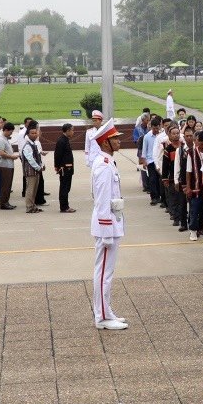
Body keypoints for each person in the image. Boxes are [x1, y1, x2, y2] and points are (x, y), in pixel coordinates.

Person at [88, 118, 129, 330]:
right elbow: (102, 199)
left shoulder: (107, 162)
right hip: (107, 226)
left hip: (111, 223)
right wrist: (106, 231)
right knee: (104, 272)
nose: (119, 142)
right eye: (115, 139)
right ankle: (102, 317)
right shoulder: (104, 166)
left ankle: (105, 310)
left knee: (106, 272)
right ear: (105, 143)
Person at [20, 121, 46, 212]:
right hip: (31, 171)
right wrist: (38, 167)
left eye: (35, 133)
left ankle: (33, 205)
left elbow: (37, 156)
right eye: (32, 133)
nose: (34, 135)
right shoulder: (27, 145)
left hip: (35, 170)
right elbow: (30, 159)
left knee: (34, 189)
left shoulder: (33, 143)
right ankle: (29, 207)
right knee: (30, 189)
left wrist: (40, 166)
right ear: (28, 134)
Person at [52, 122, 76, 212]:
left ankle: (65, 206)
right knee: (64, 188)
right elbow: (57, 155)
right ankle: (64, 207)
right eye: (72, 130)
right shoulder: (61, 141)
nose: (73, 132)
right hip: (65, 169)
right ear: (68, 130)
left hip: (68, 168)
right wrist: (57, 166)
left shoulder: (65, 139)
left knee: (66, 187)